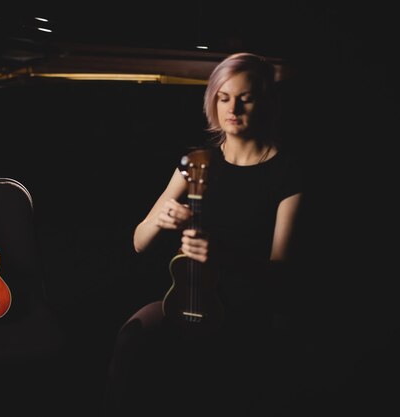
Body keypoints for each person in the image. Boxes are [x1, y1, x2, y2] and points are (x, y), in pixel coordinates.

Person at [104, 52, 305, 416]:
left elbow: (283, 276)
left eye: (246, 98)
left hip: (249, 306)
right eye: (223, 97)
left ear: (266, 102)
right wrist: (159, 220)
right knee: (132, 337)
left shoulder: (288, 174)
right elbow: (138, 241)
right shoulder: (196, 163)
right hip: (189, 295)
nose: (233, 109)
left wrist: (223, 255)